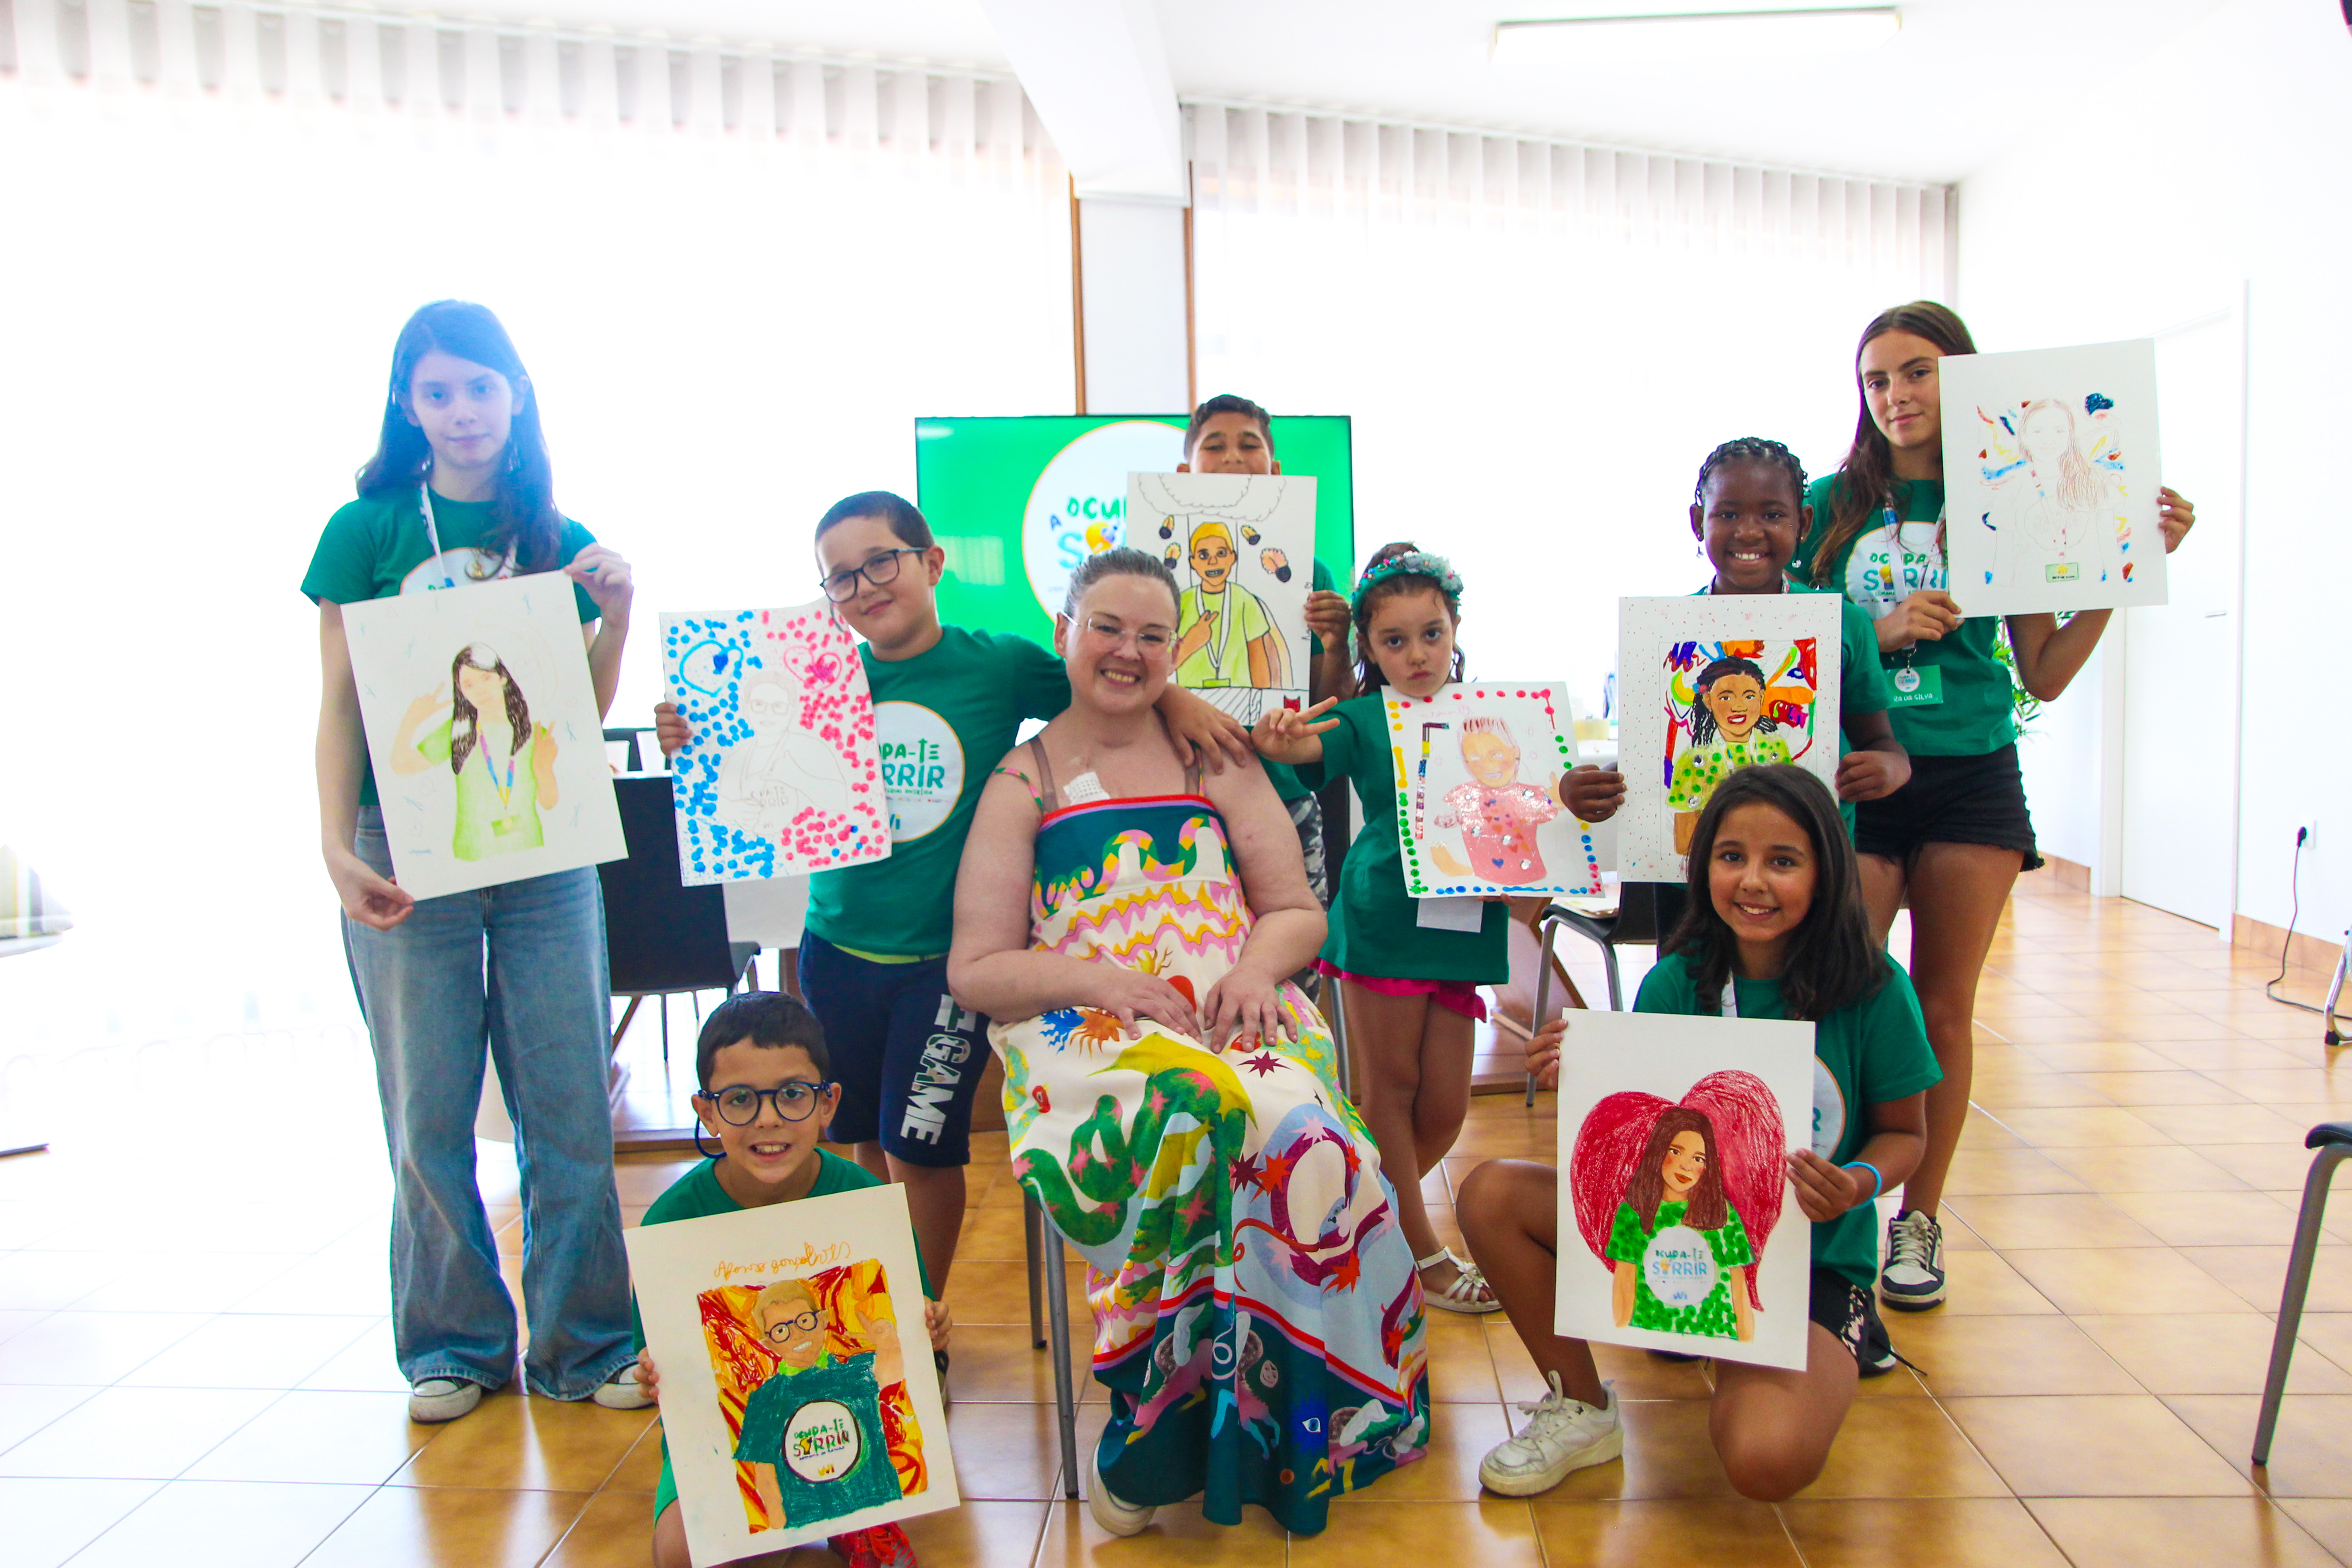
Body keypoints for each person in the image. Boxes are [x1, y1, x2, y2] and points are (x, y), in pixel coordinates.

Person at [653, 492, 1252, 1348]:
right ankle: (876, 1319)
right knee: (862, 1138)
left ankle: (918, 1323)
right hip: (835, 949)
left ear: (932, 563)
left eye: (881, 561)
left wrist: (1182, 703)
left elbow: (1110, 675)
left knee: (922, 1148)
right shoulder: (819, 681)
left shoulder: (997, 665)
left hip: (942, 966)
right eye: (840, 577)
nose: (864, 586)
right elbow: (746, 753)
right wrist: (693, 733)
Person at [947, 548, 1429, 1539]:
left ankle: (1302, 1425)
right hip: (1085, 1023)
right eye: (1106, 628)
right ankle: (1156, 1421)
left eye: (1152, 636)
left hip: (1236, 1004)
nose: (1127, 651)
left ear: (1177, 650)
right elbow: (978, 967)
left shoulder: (1217, 755)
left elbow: (1294, 909)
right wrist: (1101, 983)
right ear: (1064, 634)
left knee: (1300, 1132)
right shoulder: (1022, 779)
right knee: (1191, 1117)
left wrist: (1253, 972)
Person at [1792, 303, 2194, 1310]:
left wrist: (2126, 563)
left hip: (1971, 774)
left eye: (1916, 372)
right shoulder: (1825, 503)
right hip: (1860, 772)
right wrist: (1878, 631)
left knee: (1943, 1009)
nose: (1894, 396)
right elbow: (1781, 645)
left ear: (1962, 378)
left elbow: (2044, 673)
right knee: (1839, 992)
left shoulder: (2007, 495)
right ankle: (1828, 1220)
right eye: (1876, 379)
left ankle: (1917, 1221)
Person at [304, 299, 646, 1425]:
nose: (463, 411)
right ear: (408, 406)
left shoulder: (554, 531)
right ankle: (451, 1345)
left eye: (481, 387)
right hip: (404, 847)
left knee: (568, 1102)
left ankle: (585, 1343)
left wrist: (617, 618)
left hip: (544, 845)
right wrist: (333, 845)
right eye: (439, 391)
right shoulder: (365, 530)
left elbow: (572, 714)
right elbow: (340, 703)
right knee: (426, 1107)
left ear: (517, 395)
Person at [1458, 765, 1941, 1500]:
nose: (1753, 881)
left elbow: (1906, 1134)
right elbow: (1644, 1134)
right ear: (1702, 865)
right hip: (1673, 1237)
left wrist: (1856, 1183)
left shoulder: (1872, 988)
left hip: (1806, 1263)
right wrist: (1583, 1076)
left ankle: (1804, 1338)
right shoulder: (1676, 981)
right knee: (1491, 1195)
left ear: (1825, 871)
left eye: (1783, 861)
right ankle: (1583, 1405)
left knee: (1764, 1459)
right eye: (1730, 856)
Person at [1252, 544, 1618, 1314]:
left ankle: (1356, 1222)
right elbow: (1306, 750)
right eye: (1394, 640)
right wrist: (1280, 738)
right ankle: (1419, 1253)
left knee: (1445, 1107)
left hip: (1462, 919)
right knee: (1390, 1088)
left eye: (1431, 634)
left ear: (1455, 630)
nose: (1416, 654)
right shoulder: (1363, 715)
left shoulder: (1498, 718)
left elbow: (1533, 799)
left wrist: (1573, 793)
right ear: (1367, 646)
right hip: (1384, 915)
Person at [631, 991, 948, 1568]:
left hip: (843, 1421)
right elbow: (654, 1354)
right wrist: (653, 1371)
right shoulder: (672, 1223)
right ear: (707, 1112)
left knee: (869, 1475)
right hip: (723, 1433)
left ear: (828, 1104)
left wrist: (929, 1326)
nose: (768, 1119)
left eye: (793, 1094)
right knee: (679, 1554)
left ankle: (849, 1520)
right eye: (740, 1100)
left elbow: (907, 1316)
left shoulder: (864, 1200)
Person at [1570, 437, 1911, 915]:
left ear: (1803, 523)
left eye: (1772, 515)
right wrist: (1599, 787)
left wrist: (1891, 768)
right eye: (1727, 514)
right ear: (1698, 522)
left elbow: (1882, 742)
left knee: (1812, 967)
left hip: (1809, 885)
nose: (1748, 532)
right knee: (1696, 967)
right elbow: (1651, 766)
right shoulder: (1662, 633)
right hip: (1692, 893)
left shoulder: (1843, 625)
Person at [1176, 394, 1353, 912]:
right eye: (1215, 446)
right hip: (1183, 791)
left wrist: (1337, 646)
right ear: (1185, 474)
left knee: (1293, 932)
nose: (1233, 456)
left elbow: (1326, 704)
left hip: (1283, 791)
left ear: (1275, 471)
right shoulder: (1154, 578)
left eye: (1249, 445)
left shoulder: (1308, 574)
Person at [387, 642, 561, 859]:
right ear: (461, 692)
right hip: (473, 855)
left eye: (486, 678)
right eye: (469, 685)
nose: (480, 690)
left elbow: (549, 803)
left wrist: (543, 768)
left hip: (530, 850)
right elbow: (402, 766)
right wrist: (411, 721)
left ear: (502, 677)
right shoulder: (456, 732)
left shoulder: (535, 734)